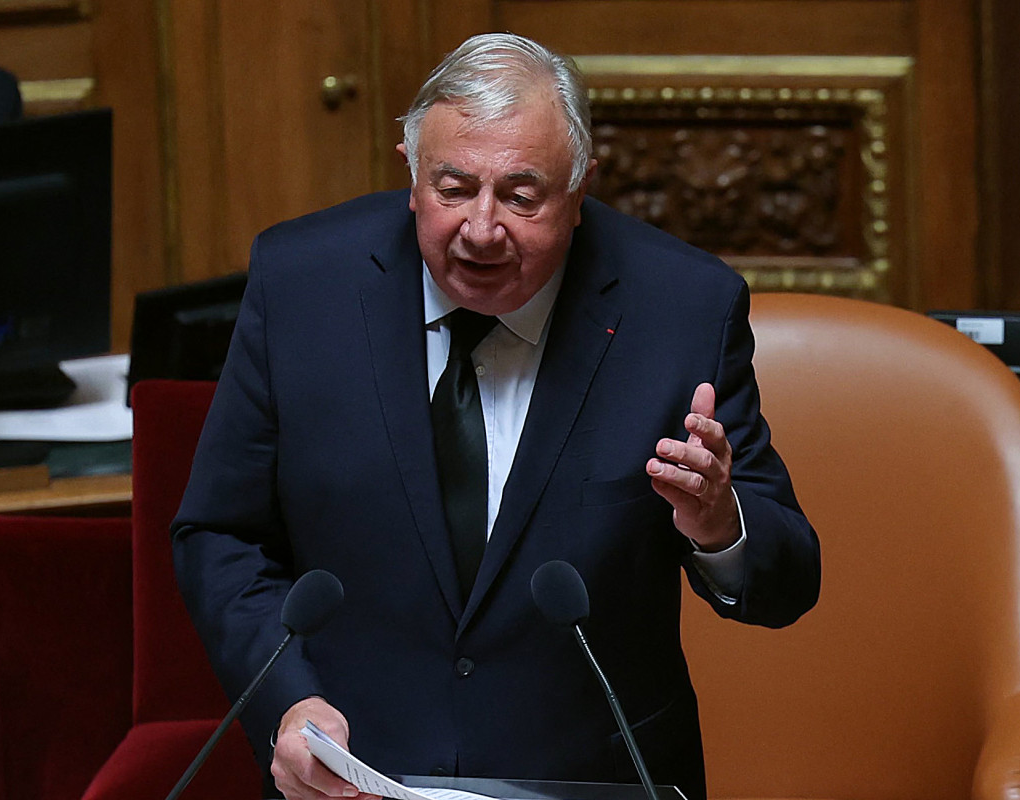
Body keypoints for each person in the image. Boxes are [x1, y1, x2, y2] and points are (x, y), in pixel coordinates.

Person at [172, 32, 820, 800]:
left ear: (581, 192)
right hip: (355, 776)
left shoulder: (682, 310)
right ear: (412, 176)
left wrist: (720, 524)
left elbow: (789, 579)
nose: (481, 229)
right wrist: (288, 701)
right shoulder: (301, 284)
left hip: (589, 779)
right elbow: (221, 535)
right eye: (452, 189)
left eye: (520, 196)